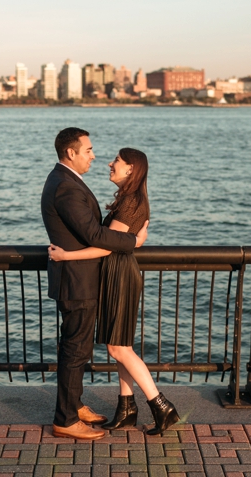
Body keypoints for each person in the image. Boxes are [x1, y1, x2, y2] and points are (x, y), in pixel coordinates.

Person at [49, 148, 179, 436]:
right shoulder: (127, 199)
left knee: (118, 348)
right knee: (118, 345)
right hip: (115, 273)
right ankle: (126, 408)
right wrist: (133, 240)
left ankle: (162, 406)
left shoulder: (131, 202)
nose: (109, 163)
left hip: (120, 275)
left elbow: (109, 244)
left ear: (131, 169)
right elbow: (119, 240)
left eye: (117, 161)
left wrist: (65, 257)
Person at [41, 128, 148, 441]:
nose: (94, 155)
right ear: (71, 153)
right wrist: (133, 241)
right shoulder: (65, 187)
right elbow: (95, 236)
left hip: (79, 279)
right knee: (75, 351)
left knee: (78, 348)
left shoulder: (65, 181)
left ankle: (74, 405)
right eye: (88, 150)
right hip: (77, 282)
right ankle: (66, 419)